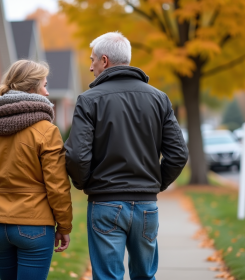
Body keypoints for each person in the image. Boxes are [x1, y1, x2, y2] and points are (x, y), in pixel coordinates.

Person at [65, 32, 189, 280]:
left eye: (92, 61)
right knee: (145, 276)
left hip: (105, 203)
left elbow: (77, 157)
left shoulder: (88, 101)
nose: (90, 67)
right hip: (146, 206)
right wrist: (154, 184)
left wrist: (86, 184)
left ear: (105, 60)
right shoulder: (159, 99)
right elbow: (179, 154)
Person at [0, 60, 72, 280]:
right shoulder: (47, 131)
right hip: (35, 226)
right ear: (31, 89)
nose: (48, 92)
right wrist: (64, 225)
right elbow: (57, 186)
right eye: (44, 85)